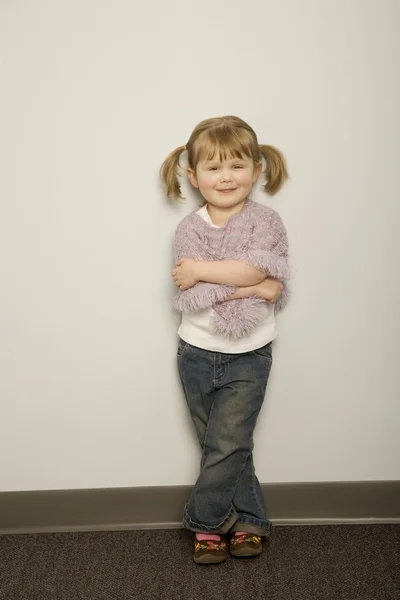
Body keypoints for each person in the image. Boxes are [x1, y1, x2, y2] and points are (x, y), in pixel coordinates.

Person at [161, 116, 290, 564]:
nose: (226, 177)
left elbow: (260, 267)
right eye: (213, 169)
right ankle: (249, 520)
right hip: (195, 353)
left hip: (249, 355)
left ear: (256, 170)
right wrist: (255, 285)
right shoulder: (189, 229)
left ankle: (205, 523)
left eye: (236, 165)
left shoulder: (266, 222)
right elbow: (193, 291)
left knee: (229, 441)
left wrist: (219, 273)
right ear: (194, 177)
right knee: (223, 444)